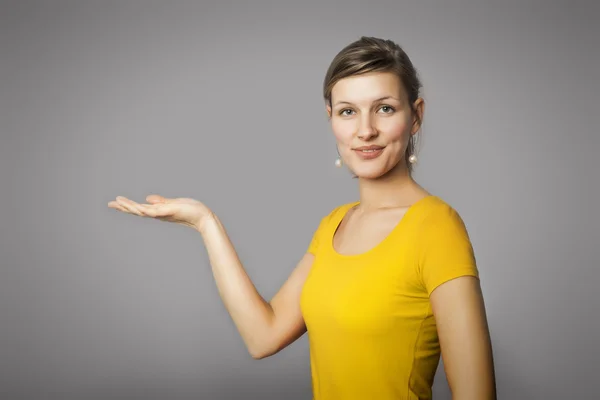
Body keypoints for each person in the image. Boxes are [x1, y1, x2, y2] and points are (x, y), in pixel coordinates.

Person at [108, 36, 496, 400]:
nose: (365, 130)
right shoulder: (335, 224)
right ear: (331, 119)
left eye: (385, 108)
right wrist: (205, 223)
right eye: (348, 112)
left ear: (415, 115)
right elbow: (263, 336)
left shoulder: (437, 227)